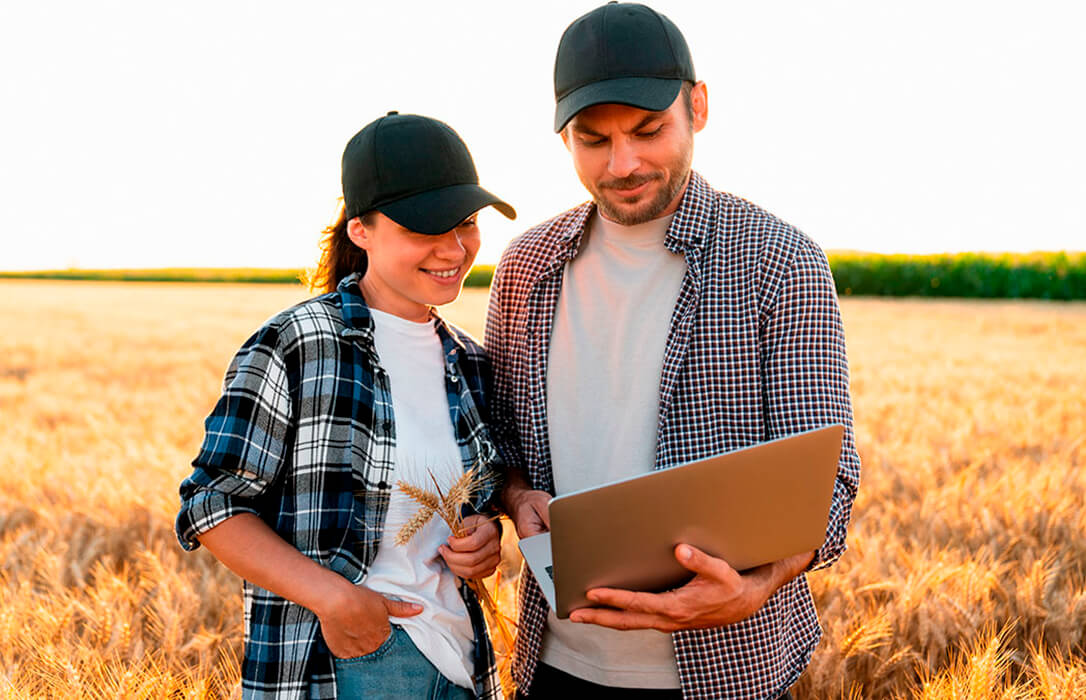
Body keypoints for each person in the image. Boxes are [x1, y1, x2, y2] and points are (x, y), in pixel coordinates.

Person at [485, 3, 861, 699]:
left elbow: (827, 486)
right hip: (557, 666)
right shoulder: (525, 268)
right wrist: (514, 495)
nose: (622, 163)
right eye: (592, 139)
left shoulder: (780, 263)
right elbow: (501, 442)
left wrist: (754, 589)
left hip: (726, 671)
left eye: (648, 130)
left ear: (699, 106)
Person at [175, 112, 515, 700]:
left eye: (466, 222)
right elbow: (211, 505)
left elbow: (476, 504)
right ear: (361, 230)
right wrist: (337, 600)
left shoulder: (470, 362)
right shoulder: (299, 345)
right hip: (350, 662)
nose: (455, 248)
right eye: (423, 228)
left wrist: (484, 536)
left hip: (465, 665)